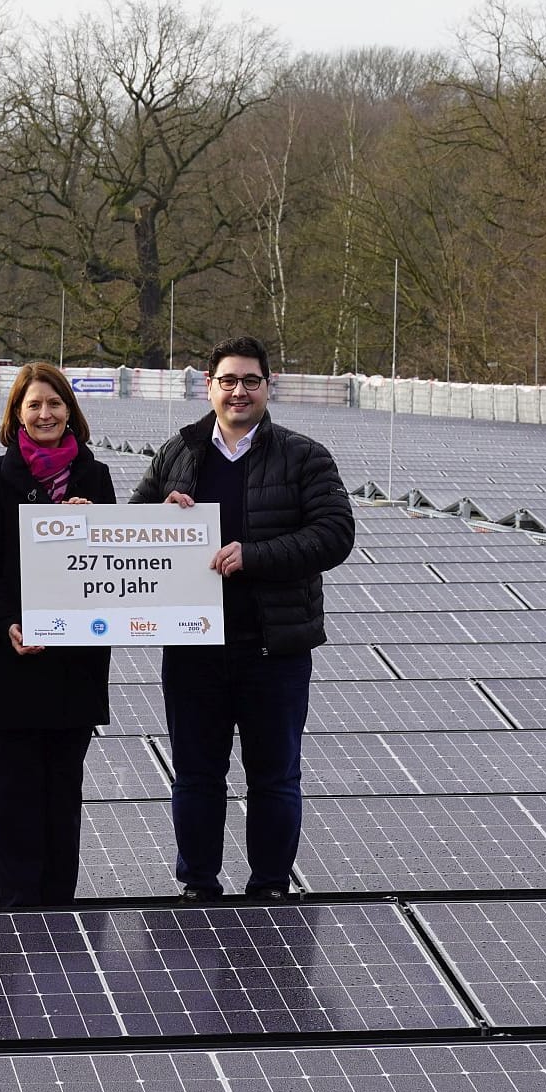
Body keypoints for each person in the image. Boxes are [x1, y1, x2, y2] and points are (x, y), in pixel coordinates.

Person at [131, 335, 354, 902]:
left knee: (274, 777)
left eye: (250, 380)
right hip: (193, 649)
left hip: (271, 647)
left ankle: (270, 888)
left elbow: (334, 535)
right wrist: (159, 518)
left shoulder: (305, 457)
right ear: (209, 386)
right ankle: (198, 886)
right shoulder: (177, 453)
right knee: (197, 777)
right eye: (227, 380)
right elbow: (131, 528)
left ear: (267, 387)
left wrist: (252, 556)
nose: (238, 391)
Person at [0, 362, 116, 907]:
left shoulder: (94, 479)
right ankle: (15, 901)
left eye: (55, 404)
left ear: (70, 412)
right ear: (17, 415)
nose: (46, 413)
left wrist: (91, 522)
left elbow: (111, 565)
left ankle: (59, 901)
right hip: (14, 655)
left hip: (75, 659)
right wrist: (10, 622)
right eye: (34, 405)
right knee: (13, 790)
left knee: (63, 788)